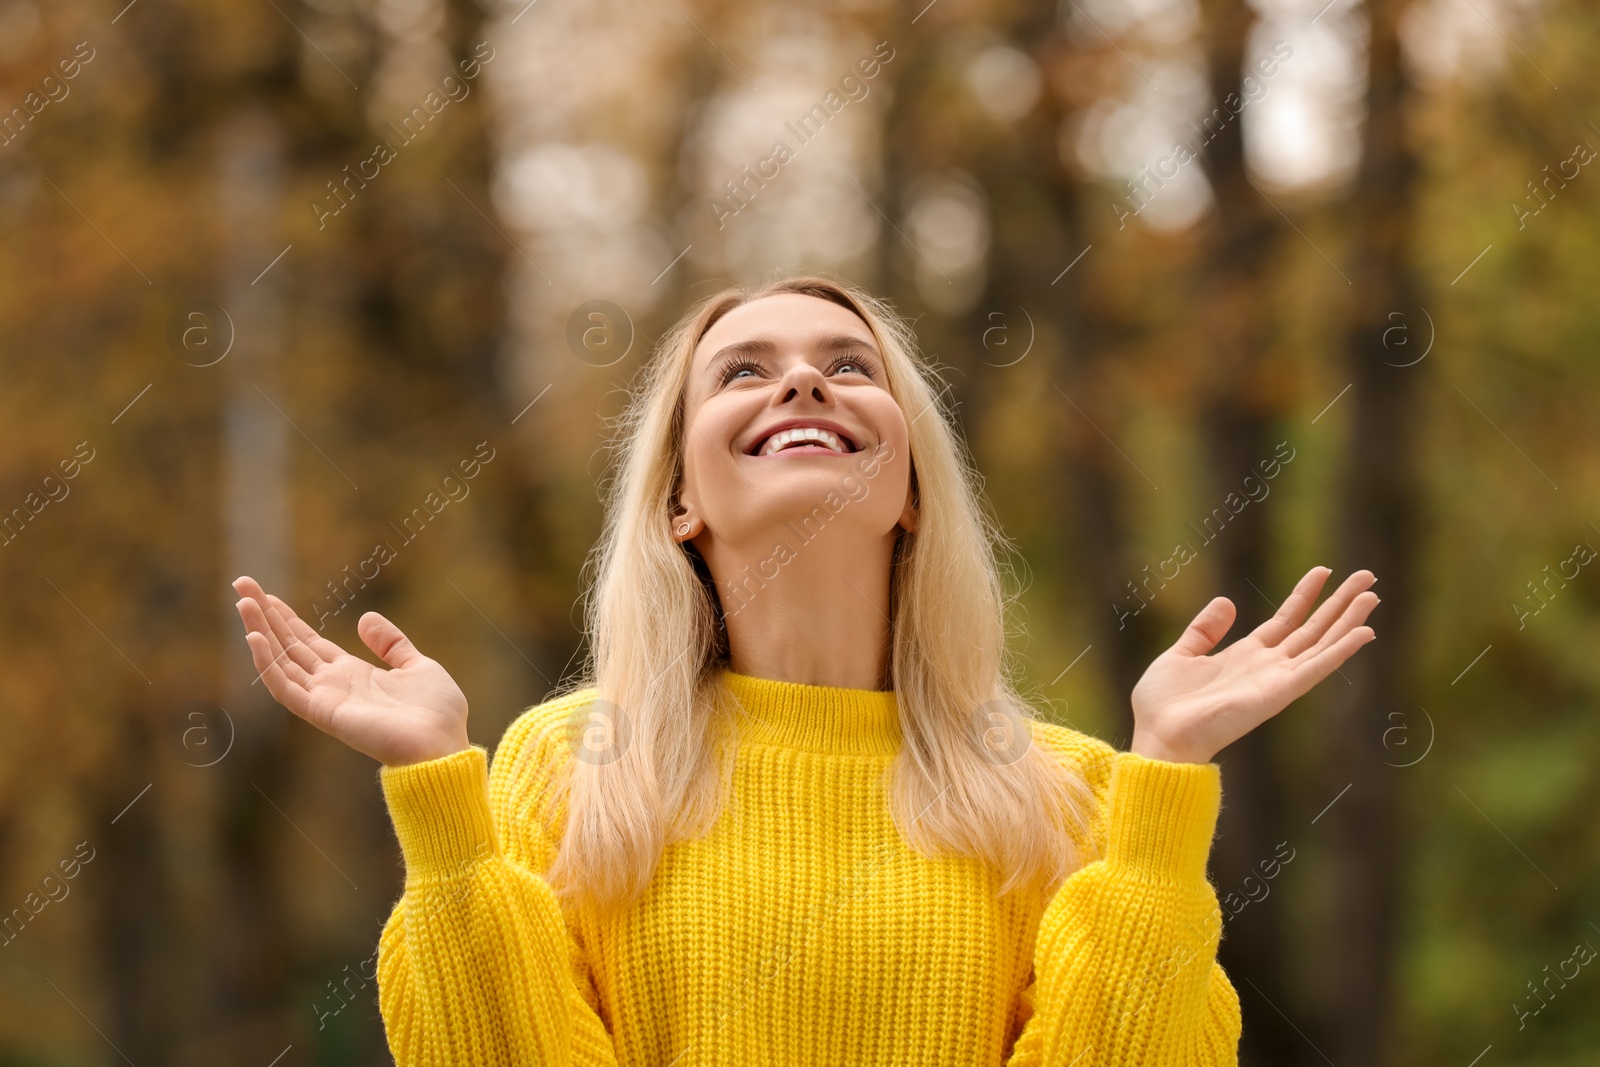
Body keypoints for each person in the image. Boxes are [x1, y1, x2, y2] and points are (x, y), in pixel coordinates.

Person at [232, 274, 1378, 1066]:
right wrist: (437, 785)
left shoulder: (1066, 793)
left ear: (913, 483)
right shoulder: (572, 763)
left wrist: (1167, 773)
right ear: (679, 498)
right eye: (743, 370)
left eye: (847, 364)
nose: (803, 383)